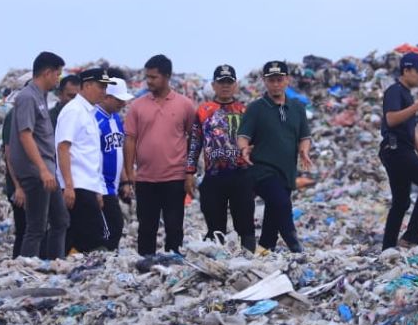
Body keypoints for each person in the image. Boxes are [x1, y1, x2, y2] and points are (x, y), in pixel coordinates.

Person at [237, 61, 313, 253]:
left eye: (279, 79)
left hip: (287, 171)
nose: (276, 84)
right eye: (271, 80)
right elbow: (243, 135)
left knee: (274, 211)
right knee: (282, 203)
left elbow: (304, 136)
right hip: (262, 169)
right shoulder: (256, 108)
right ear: (265, 81)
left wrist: (304, 150)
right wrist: (244, 148)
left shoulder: (297, 108)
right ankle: (294, 244)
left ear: (287, 80)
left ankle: (265, 249)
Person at [124, 54, 195, 256]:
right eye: (147, 77)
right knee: (146, 227)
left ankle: (174, 263)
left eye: (153, 77)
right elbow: (130, 140)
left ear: (167, 76)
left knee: (174, 226)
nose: (149, 81)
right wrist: (130, 172)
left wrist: (189, 171)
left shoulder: (184, 105)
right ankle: (146, 264)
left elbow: (193, 138)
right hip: (145, 178)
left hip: (175, 177)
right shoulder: (137, 106)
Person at [186, 64, 256, 252]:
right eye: (221, 82)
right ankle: (218, 262)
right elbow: (194, 143)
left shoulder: (245, 111)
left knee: (246, 226)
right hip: (213, 177)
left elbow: (255, 143)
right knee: (215, 228)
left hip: (241, 175)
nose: (225, 86)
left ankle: (250, 260)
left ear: (235, 85)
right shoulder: (203, 111)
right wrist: (189, 172)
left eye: (229, 82)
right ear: (213, 85)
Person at [9, 51, 70, 259]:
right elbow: (25, 135)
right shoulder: (27, 97)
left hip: (47, 171)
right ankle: (27, 269)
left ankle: (55, 264)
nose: (58, 79)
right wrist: (42, 170)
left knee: (60, 220)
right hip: (36, 172)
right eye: (57, 74)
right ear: (47, 73)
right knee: (36, 227)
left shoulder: (41, 96)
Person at [379, 53, 418, 250]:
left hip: (401, 150)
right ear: (406, 70)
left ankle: (388, 247)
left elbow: (413, 132)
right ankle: (412, 233)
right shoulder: (394, 91)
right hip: (396, 150)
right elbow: (391, 120)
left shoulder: (406, 94)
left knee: (401, 202)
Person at [56, 68, 115, 254]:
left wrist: (98, 190)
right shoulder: (73, 111)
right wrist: (68, 186)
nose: (104, 92)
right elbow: (63, 148)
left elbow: (91, 155)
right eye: (101, 87)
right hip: (77, 186)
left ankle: (54, 263)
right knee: (95, 238)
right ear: (87, 85)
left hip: (88, 186)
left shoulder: (89, 113)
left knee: (76, 237)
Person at [95, 77, 134, 251]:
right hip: (100, 185)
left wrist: (125, 181)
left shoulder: (116, 118)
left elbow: (118, 151)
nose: (122, 104)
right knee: (112, 227)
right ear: (107, 97)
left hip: (113, 185)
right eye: (119, 100)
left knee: (115, 226)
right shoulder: (94, 119)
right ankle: (104, 258)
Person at [2, 103, 26, 259]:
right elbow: (9, 153)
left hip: (33, 185)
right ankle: (19, 262)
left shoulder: (36, 111)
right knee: (23, 229)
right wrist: (18, 187)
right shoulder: (14, 115)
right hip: (20, 186)